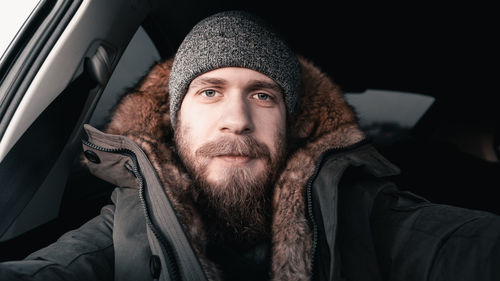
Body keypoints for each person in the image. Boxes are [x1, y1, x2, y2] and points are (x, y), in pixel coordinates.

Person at [1, 10, 500, 281]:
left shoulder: (365, 213)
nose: (236, 121)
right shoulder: (128, 218)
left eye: (263, 95)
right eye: (210, 92)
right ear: (176, 123)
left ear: (291, 124)